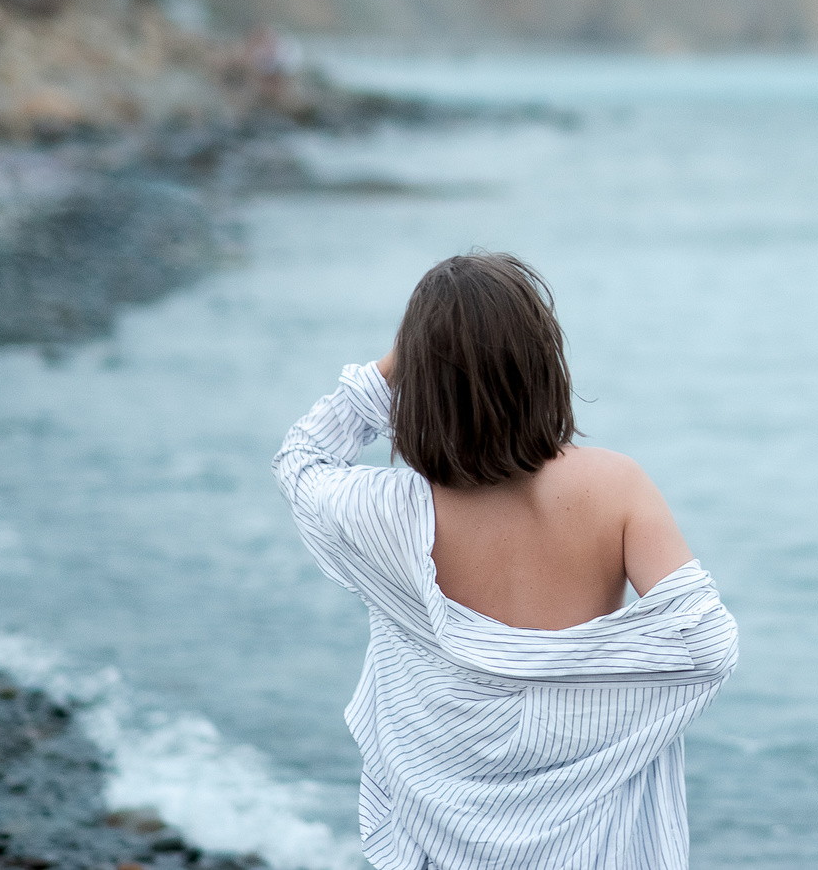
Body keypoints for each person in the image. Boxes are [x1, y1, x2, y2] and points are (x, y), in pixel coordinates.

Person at [274, 252, 738, 870]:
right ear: (542, 364)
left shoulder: (389, 512)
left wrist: (392, 366)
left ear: (421, 380)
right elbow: (707, 644)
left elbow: (301, 459)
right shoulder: (616, 487)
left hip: (442, 839)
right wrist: (567, 670)